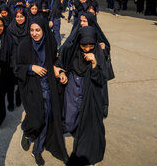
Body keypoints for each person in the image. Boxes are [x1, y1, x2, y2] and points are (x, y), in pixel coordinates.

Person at [16, 17, 68, 166]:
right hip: (32, 89)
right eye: (32, 30)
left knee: (46, 119)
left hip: (48, 87)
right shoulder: (24, 45)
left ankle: (37, 150)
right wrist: (32, 68)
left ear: (44, 30)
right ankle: (26, 131)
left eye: (37, 30)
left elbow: (56, 61)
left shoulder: (50, 43)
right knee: (36, 119)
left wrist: (59, 71)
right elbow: (17, 68)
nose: (34, 33)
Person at [55, 26, 107, 165]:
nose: (87, 48)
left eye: (91, 45)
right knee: (70, 114)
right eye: (84, 45)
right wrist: (62, 73)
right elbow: (59, 64)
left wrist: (95, 63)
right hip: (72, 87)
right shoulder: (70, 50)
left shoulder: (97, 54)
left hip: (87, 89)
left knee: (84, 117)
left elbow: (102, 79)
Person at [6, 8, 29, 111]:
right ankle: (10, 102)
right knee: (10, 83)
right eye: (17, 17)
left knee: (22, 80)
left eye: (21, 16)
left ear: (25, 17)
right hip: (12, 58)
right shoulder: (10, 28)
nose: (19, 19)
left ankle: (19, 96)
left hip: (24, 58)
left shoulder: (29, 28)